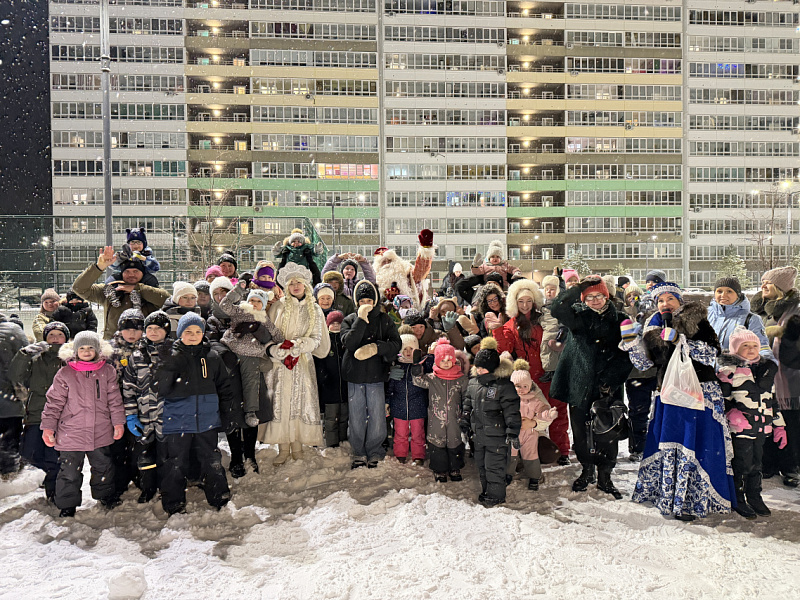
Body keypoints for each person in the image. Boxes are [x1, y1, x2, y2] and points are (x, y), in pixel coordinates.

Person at [623, 282, 734, 520]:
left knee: (698, 442)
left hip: (700, 392)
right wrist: (633, 344)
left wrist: (682, 342)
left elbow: (711, 355)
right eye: (660, 301)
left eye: (670, 299)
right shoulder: (653, 328)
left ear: (679, 301)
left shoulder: (698, 322)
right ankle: (669, 496)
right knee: (673, 442)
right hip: (670, 393)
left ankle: (693, 500)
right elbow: (644, 365)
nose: (665, 304)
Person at [550, 276, 632, 498]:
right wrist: (577, 288)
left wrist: (611, 378)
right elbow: (557, 308)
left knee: (607, 430)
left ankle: (605, 474)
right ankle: (587, 470)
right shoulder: (577, 316)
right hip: (579, 383)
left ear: (607, 296)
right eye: (590, 296)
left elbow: (629, 353)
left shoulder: (622, 319)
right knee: (580, 428)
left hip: (609, 386)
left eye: (599, 296)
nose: (595, 300)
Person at [40, 330, 125, 517]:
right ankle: (67, 504)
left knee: (103, 466)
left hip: (100, 430)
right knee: (69, 471)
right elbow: (53, 403)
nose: (86, 352)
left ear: (98, 350)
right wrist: (48, 427)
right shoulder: (65, 373)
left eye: (91, 348)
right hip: (71, 432)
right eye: (82, 348)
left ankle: (105, 495)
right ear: (75, 351)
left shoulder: (107, 371)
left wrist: (118, 423)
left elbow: (115, 400)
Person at [157, 313, 234, 515]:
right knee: (175, 462)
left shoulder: (211, 357)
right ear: (180, 333)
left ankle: (219, 496)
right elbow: (160, 389)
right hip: (177, 420)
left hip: (206, 420)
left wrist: (227, 414)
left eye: (198, 331)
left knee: (211, 459)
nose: (193, 335)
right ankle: (173, 503)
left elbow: (224, 388)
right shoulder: (171, 356)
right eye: (188, 332)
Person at [493, 278, 571, 467]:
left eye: (529, 301)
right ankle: (534, 453)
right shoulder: (511, 324)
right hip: (526, 378)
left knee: (556, 410)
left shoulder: (546, 318)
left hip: (549, 373)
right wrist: (496, 330)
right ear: (515, 302)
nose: (525, 305)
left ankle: (562, 450)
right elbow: (504, 348)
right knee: (530, 416)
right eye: (521, 301)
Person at [263, 263, 328, 465]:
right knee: (281, 402)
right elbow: (268, 334)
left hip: (302, 362)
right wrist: (275, 350)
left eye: (299, 282)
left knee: (301, 401)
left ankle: (298, 446)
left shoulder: (314, 309)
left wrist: (301, 345)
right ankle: (283, 447)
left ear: (305, 285)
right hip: (280, 364)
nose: (296, 286)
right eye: (292, 283)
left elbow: (317, 338)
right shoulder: (277, 306)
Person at [717, 327, 782, 519]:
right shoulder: (730, 371)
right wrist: (732, 413)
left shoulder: (765, 370)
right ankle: (737, 497)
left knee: (756, 463)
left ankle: (754, 495)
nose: (752, 349)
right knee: (741, 463)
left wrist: (780, 425)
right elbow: (722, 398)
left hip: (761, 426)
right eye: (745, 346)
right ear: (736, 349)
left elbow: (772, 400)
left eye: (755, 345)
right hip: (741, 427)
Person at [341, 279, 402, 469]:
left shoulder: (385, 320)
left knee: (377, 415)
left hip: (377, 375)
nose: (365, 304)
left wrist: (377, 347)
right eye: (361, 301)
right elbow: (349, 343)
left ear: (375, 300)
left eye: (369, 300)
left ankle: (375, 451)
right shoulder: (349, 319)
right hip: (354, 375)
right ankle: (358, 452)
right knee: (356, 415)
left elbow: (396, 344)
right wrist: (360, 320)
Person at [8, 321, 68, 498]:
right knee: (31, 453)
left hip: (62, 417)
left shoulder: (70, 358)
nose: (55, 339)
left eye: (60, 335)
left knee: (54, 456)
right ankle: (49, 477)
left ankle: (54, 489)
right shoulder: (35, 359)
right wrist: (24, 354)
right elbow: (15, 375)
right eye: (51, 335)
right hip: (36, 415)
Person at [461, 337, 520, 507]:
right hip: (478, 435)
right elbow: (467, 403)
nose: (479, 370)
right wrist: (465, 419)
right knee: (481, 465)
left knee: (494, 467)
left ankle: (496, 495)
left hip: (497, 435)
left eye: (483, 368)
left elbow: (511, 411)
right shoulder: (473, 384)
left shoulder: (503, 386)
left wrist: (512, 431)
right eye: (477, 367)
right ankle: (487, 490)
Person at [122, 311, 172, 503]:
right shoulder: (136, 355)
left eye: (158, 328)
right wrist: (131, 415)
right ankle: (148, 487)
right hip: (144, 416)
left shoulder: (174, 353)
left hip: (168, 416)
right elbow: (129, 388)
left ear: (166, 331)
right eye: (149, 328)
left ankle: (168, 488)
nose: (153, 332)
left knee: (168, 455)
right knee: (145, 456)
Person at [220, 276, 282, 430]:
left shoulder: (264, 318)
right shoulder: (240, 310)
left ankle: (251, 412)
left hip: (252, 353)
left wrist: (282, 342)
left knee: (251, 382)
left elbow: (276, 333)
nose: (254, 304)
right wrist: (238, 290)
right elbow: (224, 304)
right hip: (232, 348)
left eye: (258, 302)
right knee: (225, 379)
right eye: (252, 300)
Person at [757, 266, 800, 487]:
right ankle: (769, 463)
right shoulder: (763, 311)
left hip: (792, 380)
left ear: (780, 288)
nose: (763, 286)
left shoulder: (795, 312)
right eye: (762, 282)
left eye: (768, 283)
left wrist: (783, 339)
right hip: (767, 377)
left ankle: (792, 466)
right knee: (769, 420)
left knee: (791, 423)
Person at [71, 246, 170, 339]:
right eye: (127, 271)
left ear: (143, 273)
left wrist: (137, 288)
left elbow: (166, 299)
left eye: (135, 271)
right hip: (113, 344)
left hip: (144, 343)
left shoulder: (150, 289)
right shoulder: (110, 290)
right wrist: (99, 267)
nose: (131, 275)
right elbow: (79, 288)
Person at [412, 340, 469, 482]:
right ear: (437, 360)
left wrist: (466, 412)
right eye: (442, 360)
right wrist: (416, 369)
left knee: (454, 442)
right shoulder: (432, 378)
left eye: (449, 360)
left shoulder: (461, 379)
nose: (446, 362)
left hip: (455, 418)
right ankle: (440, 470)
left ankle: (454, 468)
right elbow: (418, 381)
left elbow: (466, 396)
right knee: (438, 443)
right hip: (436, 418)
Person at [508, 359, 558, 491]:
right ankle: (508, 474)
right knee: (510, 453)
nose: (522, 390)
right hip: (512, 432)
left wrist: (547, 415)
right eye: (518, 386)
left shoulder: (534, 398)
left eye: (525, 386)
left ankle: (534, 476)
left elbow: (542, 410)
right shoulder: (508, 398)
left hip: (529, 432)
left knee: (531, 454)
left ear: (530, 385)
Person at [707, 276, 773, 361]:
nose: (723, 295)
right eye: (719, 291)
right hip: (704, 372)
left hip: (736, 372)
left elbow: (762, 347)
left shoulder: (751, 319)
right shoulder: (705, 315)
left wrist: (768, 364)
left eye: (729, 291)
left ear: (737, 295)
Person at [386, 333, 427, 465]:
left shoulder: (421, 366)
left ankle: (418, 456)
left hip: (417, 406)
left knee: (417, 433)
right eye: (405, 349)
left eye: (411, 349)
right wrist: (387, 402)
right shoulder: (397, 366)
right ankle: (400, 454)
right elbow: (390, 388)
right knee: (400, 433)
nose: (408, 352)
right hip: (399, 406)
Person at [372, 230, 436, 309]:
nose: (387, 264)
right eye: (383, 262)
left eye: (389, 260)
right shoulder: (374, 277)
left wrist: (425, 250)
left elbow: (420, 271)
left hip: (407, 312)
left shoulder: (405, 270)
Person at [314, 311, 349, 448]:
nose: (335, 326)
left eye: (338, 323)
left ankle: (343, 440)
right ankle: (332, 443)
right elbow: (319, 361)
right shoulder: (325, 342)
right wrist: (322, 375)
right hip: (329, 388)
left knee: (344, 418)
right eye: (332, 323)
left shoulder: (345, 341)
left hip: (345, 388)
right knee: (330, 419)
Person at [0, 314, 28, 478]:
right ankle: (8, 477)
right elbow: (25, 363)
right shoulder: (15, 331)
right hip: (10, 398)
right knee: (10, 441)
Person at [206, 276, 235, 342]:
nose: (220, 297)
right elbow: (213, 343)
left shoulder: (242, 312)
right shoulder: (213, 320)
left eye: (223, 292)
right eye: (215, 294)